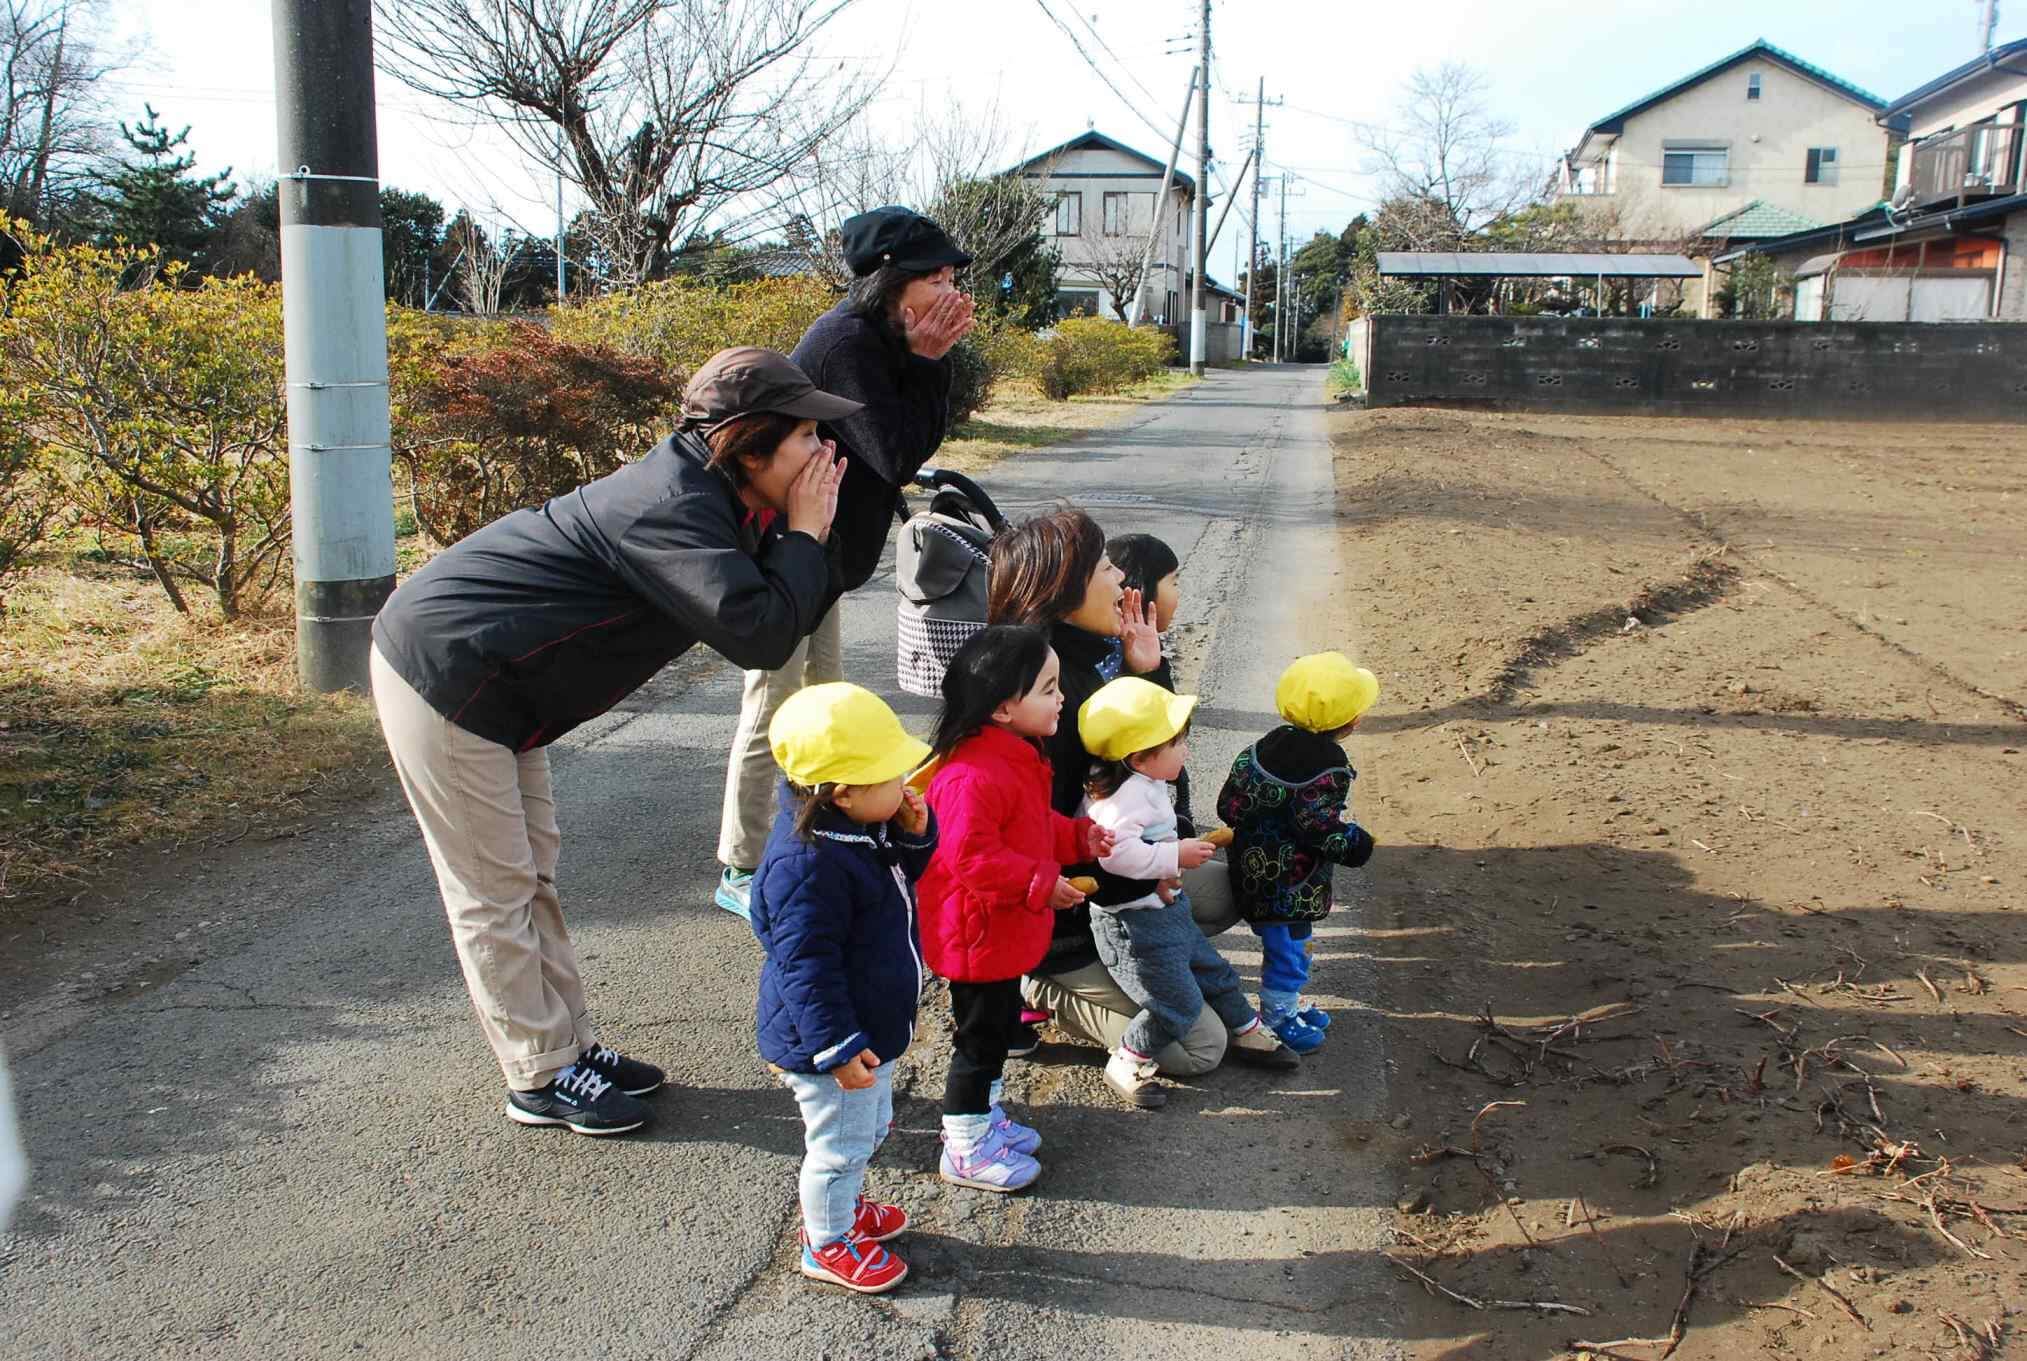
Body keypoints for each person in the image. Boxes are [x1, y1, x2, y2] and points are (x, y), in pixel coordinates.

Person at [371, 347, 855, 1136]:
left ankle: (570, 1047)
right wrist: (802, 531)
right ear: (749, 442)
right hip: (448, 670)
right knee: (494, 888)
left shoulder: (718, 494)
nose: (821, 452)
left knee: (532, 871)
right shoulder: (671, 506)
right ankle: (538, 1073)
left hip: (499, 682)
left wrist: (800, 532)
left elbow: (780, 602)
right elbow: (760, 632)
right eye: (805, 434)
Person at [715, 207, 978, 918]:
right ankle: (741, 865)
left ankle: (816, 832)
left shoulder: (892, 340)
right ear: (892, 281)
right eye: (936, 275)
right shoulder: (845, 344)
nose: (951, 289)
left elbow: (913, 440)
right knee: (775, 704)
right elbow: (890, 452)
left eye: (953, 273)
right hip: (785, 550)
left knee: (820, 702)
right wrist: (926, 364)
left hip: (825, 554)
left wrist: (929, 363)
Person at [984, 508, 1238, 1076]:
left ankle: (1137, 957)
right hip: (1064, 920)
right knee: (1197, 1048)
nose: (1122, 580)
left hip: (1110, 884)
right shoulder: (1037, 699)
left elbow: (1156, 769)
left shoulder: (1084, 662)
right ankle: (1031, 985)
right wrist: (1146, 883)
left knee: (1223, 891)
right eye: (1104, 567)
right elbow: (1045, 846)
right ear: (1062, 587)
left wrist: (1146, 672)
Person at [749, 682, 937, 1295]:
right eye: (890, 776)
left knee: (870, 1128)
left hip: (865, 1030)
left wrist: (913, 834)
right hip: (833, 1044)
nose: (905, 782)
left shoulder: (854, 831)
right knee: (838, 1146)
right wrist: (836, 1046)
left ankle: (843, 1204)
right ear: (842, 792)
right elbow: (805, 965)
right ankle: (825, 1241)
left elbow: (894, 885)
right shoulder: (808, 863)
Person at [916, 626, 1111, 1190]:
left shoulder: (1013, 757)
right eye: (1048, 688)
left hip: (997, 929)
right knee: (980, 1040)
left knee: (998, 1031)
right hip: (975, 936)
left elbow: (1030, 824)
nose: (1062, 698)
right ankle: (966, 1144)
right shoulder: (970, 775)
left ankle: (983, 1117)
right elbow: (970, 858)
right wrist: (1041, 882)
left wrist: (1075, 838)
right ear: (1004, 707)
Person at [1079, 678, 1299, 1108]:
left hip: (1167, 909)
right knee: (1173, 1002)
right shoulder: (1118, 804)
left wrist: (1174, 854)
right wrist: (1171, 856)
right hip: (1134, 926)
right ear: (1140, 757)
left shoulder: (1146, 784)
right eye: (1177, 743)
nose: (1186, 751)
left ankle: (1245, 1029)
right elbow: (1114, 856)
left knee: (1213, 971)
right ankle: (1128, 1058)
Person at [1216, 652, 1380, 1052]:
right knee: (1288, 949)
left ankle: (1288, 1002)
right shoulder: (1328, 768)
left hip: (1254, 870)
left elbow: (1228, 805)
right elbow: (1318, 826)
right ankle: (1278, 1015)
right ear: (1349, 722)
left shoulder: (1265, 746)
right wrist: (1354, 842)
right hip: (1291, 881)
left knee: (1288, 942)